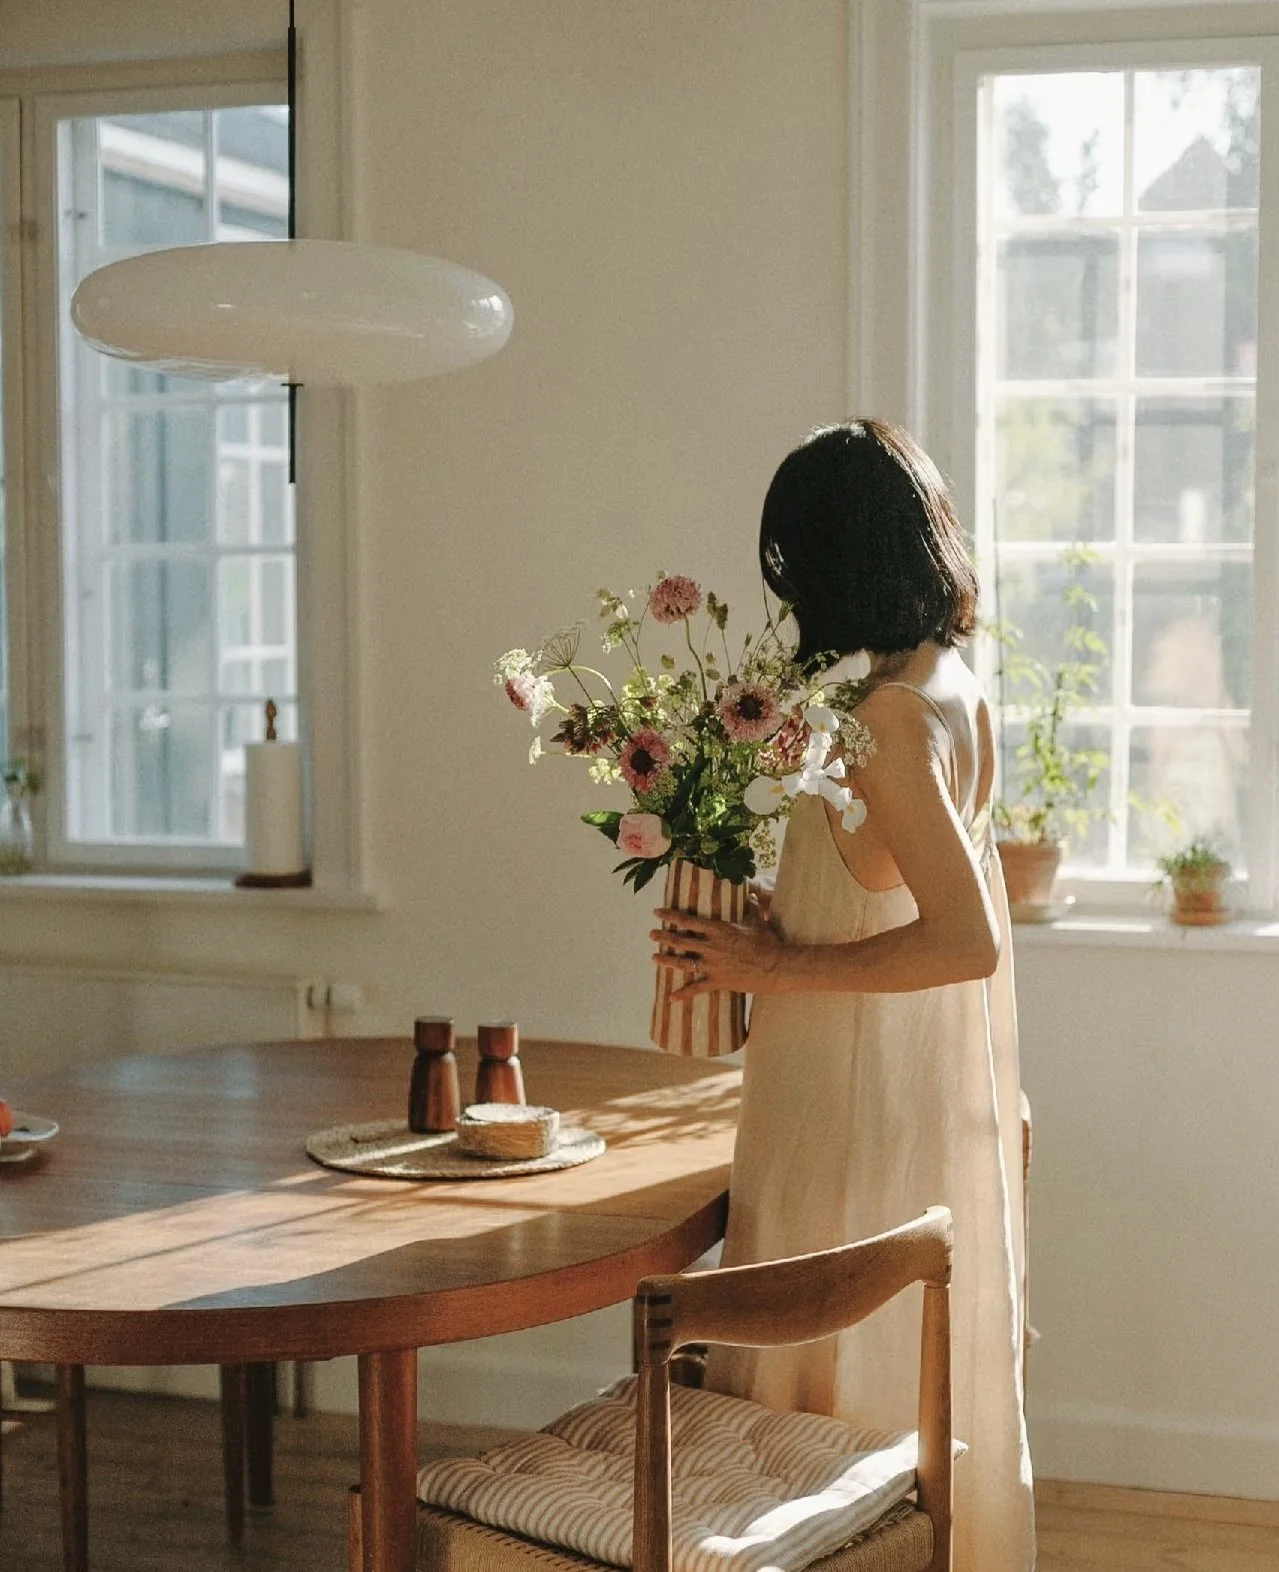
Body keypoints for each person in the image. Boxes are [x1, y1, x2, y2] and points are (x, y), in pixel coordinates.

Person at [652, 419, 1035, 1572]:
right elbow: (891, 894)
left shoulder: (887, 721)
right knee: (883, 1384)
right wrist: (788, 919)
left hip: (851, 1120)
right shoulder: (939, 684)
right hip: (895, 1096)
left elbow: (963, 939)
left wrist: (772, 968)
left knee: (822, 1396)